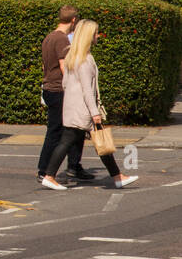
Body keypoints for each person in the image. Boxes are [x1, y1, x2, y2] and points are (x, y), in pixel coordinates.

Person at [40, 19, 137, 191]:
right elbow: (87, 90)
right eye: (96, 33)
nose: (98, 36)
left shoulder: (72, 57)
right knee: (96, 142)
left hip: (73, 107)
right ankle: (49, 176)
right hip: (83, 109)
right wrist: (95, 112)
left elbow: (65, 84)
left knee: (77, 141)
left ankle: (117, 176)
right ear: (88, 36)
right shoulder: (85, 60)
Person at [36, 5, 94, 184]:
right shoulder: (61, 40)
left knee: (73, 130)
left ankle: (73, 167)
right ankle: (45, 170)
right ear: (74, 20)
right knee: (58, 131)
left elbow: (47, 66)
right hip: (59, 90)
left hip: (49, 88)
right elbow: (64, 67)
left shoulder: (49, 37)